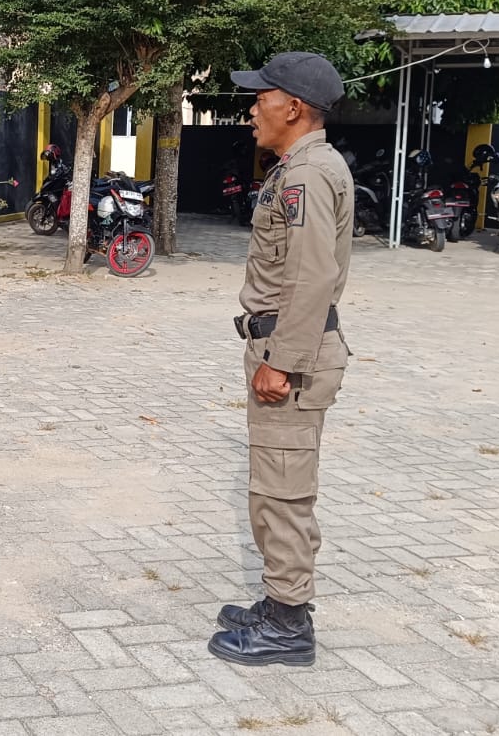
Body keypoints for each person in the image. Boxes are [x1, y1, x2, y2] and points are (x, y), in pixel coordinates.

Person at [210, 51, 353, 667]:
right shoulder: (300, 167)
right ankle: (279, 602)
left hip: (291, 354)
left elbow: (312, 276)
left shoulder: (305, 176)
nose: (252, 108)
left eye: (262, 97)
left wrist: (283, 360)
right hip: (280, 345)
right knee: (275, 484)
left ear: (292, 108)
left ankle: (289, 625)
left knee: (283, 490)